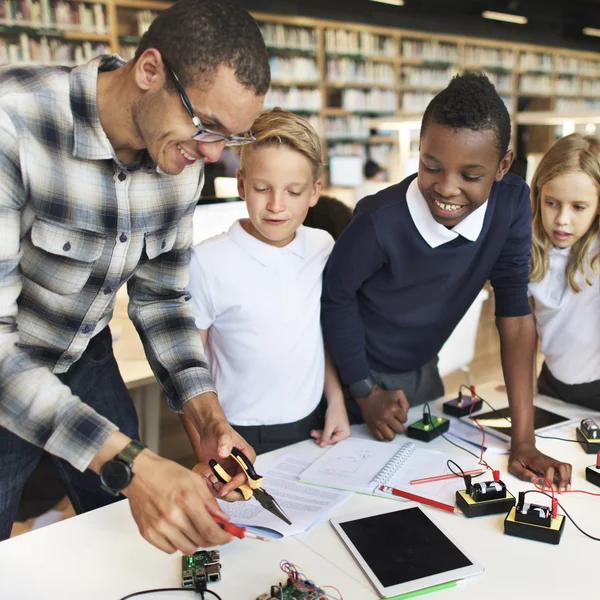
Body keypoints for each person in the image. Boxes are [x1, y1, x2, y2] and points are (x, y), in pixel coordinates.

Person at [0, 0, 270, 553]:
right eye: (206, 127)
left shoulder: (180, 158)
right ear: (149, 72)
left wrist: (205, 410)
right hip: (9, 359)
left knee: (130, 536)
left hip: (84, 352)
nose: (212, 154)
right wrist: (135, 463)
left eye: (231, 138)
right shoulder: (14, 124)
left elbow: (163, 297)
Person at [321, 73, 572, 490]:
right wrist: (363, 390)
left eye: (471, 176)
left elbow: (514, 313)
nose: (446, 188)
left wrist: (523, 441)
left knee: (419, 480)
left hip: (424, 368)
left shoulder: (511, 204)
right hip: (354, 372)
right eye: (431, 166)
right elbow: (335, 296)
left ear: (503, 166)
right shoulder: (378, 220)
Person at [183, 109, 350, 463]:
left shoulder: (323, 247)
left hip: (313, 421)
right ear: (241, 183)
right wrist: (205, 453)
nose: (276, 206)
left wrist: (336, 400)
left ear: (315, 191)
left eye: (293, 191)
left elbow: (321, 333)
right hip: (236, 430)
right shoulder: (207, 261)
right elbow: (188, 370)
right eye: (262, 189)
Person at [528, 133, 600, 410]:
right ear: (538, 195)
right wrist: (526, 384)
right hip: (550, 384)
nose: (562, 220)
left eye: (579, 207)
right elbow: (526, 328)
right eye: (552, 203)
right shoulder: (528, 249)